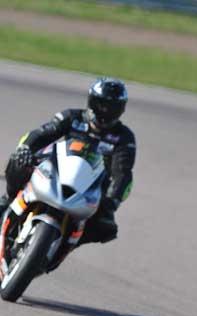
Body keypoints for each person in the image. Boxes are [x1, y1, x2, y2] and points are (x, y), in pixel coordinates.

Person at [0, 78, 135, 246]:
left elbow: (122, 171)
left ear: (120, 109)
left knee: (105, 227)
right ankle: (8, 199)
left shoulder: (124, 137)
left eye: (112, 107)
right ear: (92, 101)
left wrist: (112, 202)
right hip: (56, 169)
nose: (105, 110)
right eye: (101, 104)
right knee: (20, 160)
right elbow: (41, 134)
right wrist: (25, 148)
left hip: (89, 188)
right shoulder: (72, 117)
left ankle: (65, 243)